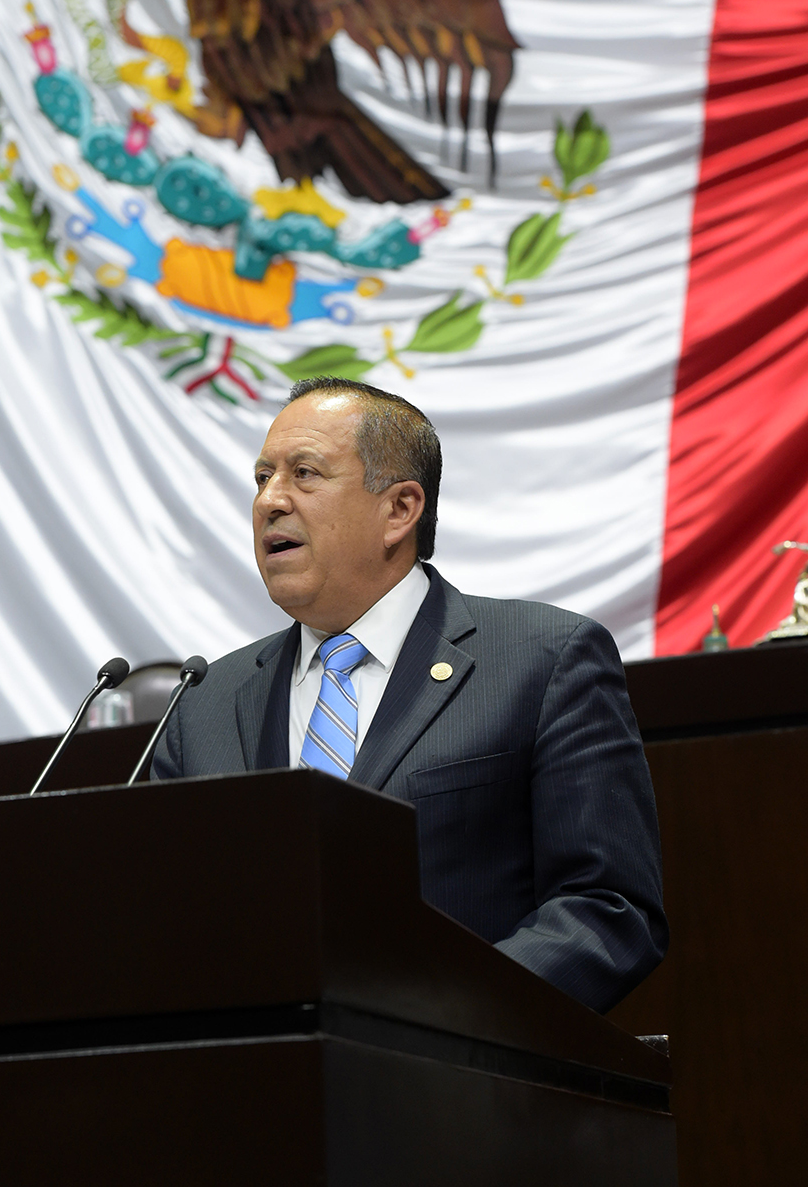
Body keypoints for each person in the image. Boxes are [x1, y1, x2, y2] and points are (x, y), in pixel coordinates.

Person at [152, 377, 667, 1013]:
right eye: (262, 478)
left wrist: (437, 1020)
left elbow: (608, 908)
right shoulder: (203, 703)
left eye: (304, 474)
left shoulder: (543, 661)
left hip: (462, 1065)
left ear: (399, 509)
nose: (270, 501)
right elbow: (163, 925)